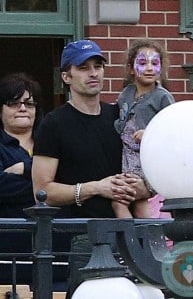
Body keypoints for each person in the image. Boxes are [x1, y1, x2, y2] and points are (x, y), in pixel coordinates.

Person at [32, 39, 151, 296]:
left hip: (132, 234)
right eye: (83, 67)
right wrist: (96, 188)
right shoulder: (54, 124)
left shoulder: (120, 115)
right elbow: (42, 191)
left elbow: (148, 168)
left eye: (98, 66)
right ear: (66, 76)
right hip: (83, 237)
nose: (93, 72)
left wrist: (143, 188)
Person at [113, 39, 175, 218]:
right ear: (131, 69)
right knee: (119, 201)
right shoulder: (126, 94)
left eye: (155, 63)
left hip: (148, 159)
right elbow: (120, 117)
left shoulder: (162, 97)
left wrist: (150, 134)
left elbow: (172, 129)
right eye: (142, 63)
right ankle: (130, 241)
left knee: (138, 201)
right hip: (128, 157)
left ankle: (148, 242)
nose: (149, 68)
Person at [0, 72, 43, 284]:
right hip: (9, 254)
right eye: (13, 103)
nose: (23, 108)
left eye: (29, 103)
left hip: (55, 252)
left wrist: (25, 168)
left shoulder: (50, 143)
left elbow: (71, 177)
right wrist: (47, 185)